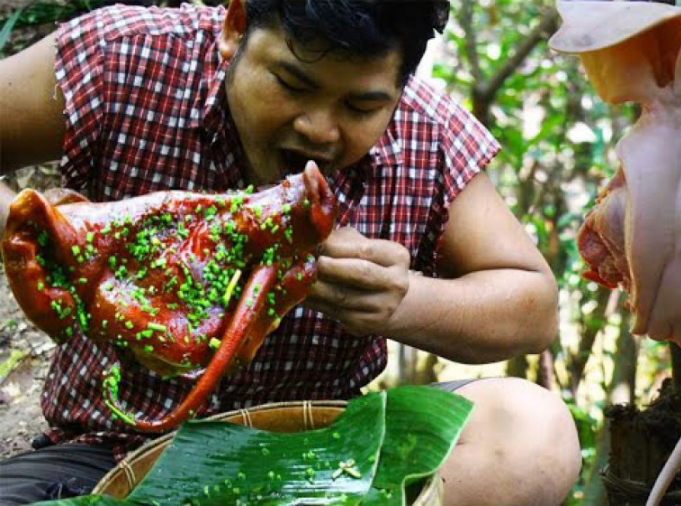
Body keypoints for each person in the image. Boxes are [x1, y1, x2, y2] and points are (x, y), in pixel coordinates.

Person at [0, 1, 581, 504]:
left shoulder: (428, 133)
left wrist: (402, 301)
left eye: (359, 108)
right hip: (104, 454)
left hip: (322, 464)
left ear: (400, 88)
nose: (319, 129)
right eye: (292, 84)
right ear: (234, 28)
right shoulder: (128, 56)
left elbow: (533, 307)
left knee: (532, 432)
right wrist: (57, 238)